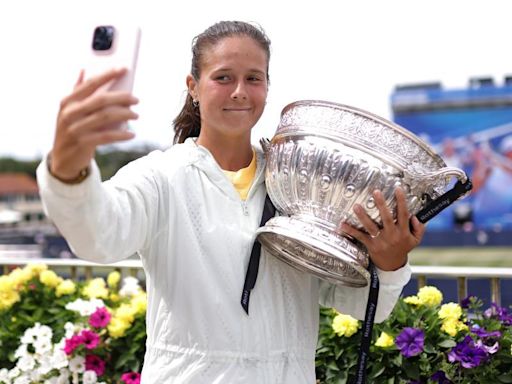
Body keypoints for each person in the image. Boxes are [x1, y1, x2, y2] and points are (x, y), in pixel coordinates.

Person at [37, 21, 425, 383]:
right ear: (193, 85)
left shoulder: (298, 184)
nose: (239, 91)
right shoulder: (160, 178)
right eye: (223, 77)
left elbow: (355, 301)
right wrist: (68, 168)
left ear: (268, 87)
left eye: (253, 79)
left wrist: (390, 263)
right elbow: (98, 236)